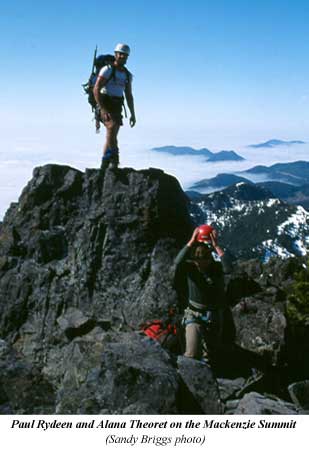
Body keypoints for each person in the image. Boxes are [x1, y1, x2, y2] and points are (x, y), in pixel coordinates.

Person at [174, 226, 231, 364]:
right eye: (198, 258)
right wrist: (192, 241)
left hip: (212, 316)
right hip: (194, 315)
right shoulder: (190, 268)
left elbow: (228, 268)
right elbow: (177, 262)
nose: (201, 262)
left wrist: (216, 246)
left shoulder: (215, 269)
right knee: (191, 355)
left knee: (210, 356)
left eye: (204, 257)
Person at [93, 43, 136, 169]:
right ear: (115, 54)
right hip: (105, 103)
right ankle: (115, 160)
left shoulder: (127, 75)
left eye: (125, 55)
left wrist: (133, 114)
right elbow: (96, 89)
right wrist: (102, 109)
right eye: (120, 54)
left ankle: (104, 163)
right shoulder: (107, 70)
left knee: (111, 135)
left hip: (117, 105)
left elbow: (129, 95)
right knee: (111, 128)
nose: (122, 57)